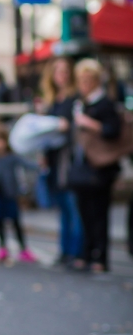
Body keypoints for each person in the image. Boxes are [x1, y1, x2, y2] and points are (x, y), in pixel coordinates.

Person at [69, 58, 121, 273]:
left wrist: (90, 124)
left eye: (88, 79)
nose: (85, 83)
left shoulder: (105, 103)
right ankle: (87, 252)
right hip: (83, 165)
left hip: (101, 166)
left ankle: (100, 256)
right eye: (81, 79)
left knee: (99, 213)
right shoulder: (80, 103)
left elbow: (113, 131)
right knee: (84, 212)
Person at [39, 58, 83, 265]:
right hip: (54, 160)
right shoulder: (51, 101)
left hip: (70, 160)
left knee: (72, 205)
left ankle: (76, 251)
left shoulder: (75, 99)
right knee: (63, 207)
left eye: (66, 71)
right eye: (58, 71)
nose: (62, 75)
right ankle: (65, 250)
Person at [0, 125, 37, 263]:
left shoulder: (11, 158)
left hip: (10, 195)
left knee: (15, 221)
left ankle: (23, 249)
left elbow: (26, 164)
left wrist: (38, 165)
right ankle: (2, 248)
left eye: (1, 141)